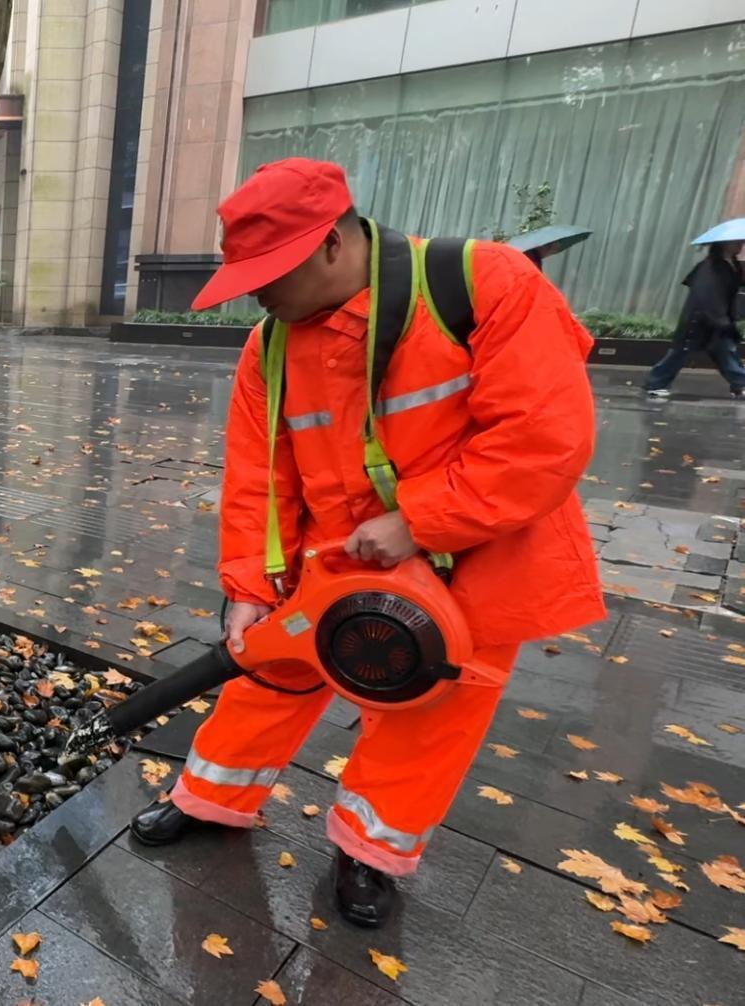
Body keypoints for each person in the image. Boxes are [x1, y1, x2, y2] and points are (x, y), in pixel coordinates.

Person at [128, 159, 604, 927]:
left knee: (429, 712)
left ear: (329, 246)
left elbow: (544, 438)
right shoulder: (269, 346)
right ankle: (212, 799)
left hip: (478, 567)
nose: (256, 294)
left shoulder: (484, 284)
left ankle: (366, 853)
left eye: (268, 273)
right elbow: (259, 477)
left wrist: (418, 522)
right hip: (331, 558)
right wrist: (250, 587)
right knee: (267, 676)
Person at [643, 240, 744, 400]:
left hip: (718, 319)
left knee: (725, 352)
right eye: (737, 242)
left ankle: (740, 383)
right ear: (724, 244)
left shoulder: (732, 264)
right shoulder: (710, 266)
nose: (740, 245)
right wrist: (721, 320)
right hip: (699, 319)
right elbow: (706, 294)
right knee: (679, 353)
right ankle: (656, 384)